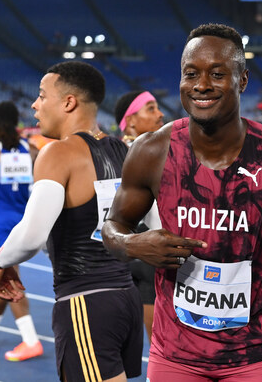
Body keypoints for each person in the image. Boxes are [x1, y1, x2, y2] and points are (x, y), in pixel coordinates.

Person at [101, 23, 262, 381]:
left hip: (254, 353)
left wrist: (260, 253)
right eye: (191, 73)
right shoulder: (152, 151)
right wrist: (133, 244)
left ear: (242, 80)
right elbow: (112, 228)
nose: (202, 85)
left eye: (218, 74)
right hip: (174, 355)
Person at [0, 61, 143, 382]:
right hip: (126, 298)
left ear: (69, 102)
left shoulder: (58, 153)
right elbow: (147, 225)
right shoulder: (124, 151)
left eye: (42, 96)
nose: (34, 104)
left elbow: (31, 236)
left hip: (84, 301)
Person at [0, 101, 43, 361]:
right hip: (23, 220)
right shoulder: (33, 151)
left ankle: (31, 341)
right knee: (3, 276)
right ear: (17, 122)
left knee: (8, 279)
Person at [114, 90, 165, 343]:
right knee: (166, 345)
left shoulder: (111, 154)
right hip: (154, 254)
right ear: (130, 120)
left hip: (129, 254)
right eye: (151, 108)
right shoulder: (154, 153)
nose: (160, 114)